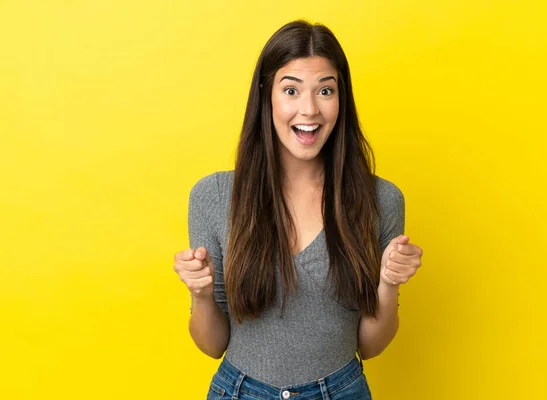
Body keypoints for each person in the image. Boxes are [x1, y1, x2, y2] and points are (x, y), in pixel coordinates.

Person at [173, 19, 424, 400]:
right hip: (240, 391)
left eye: (325, 90)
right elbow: (212, 344)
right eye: (291, 90)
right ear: (266, 96)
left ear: (342, 100)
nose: (309, 109)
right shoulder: (214, 196)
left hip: (342, 390)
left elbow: (370, 346)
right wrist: (202, 294)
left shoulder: (380, 200)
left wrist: (388, 285)